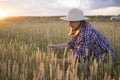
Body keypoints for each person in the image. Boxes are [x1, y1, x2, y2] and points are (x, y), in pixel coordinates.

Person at [48, 8, 116, 64]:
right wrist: (55, 46)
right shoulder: (81, 28)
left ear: (80, 21)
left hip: (106, 60)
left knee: (78, 66)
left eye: (72, 21)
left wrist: (55, 61)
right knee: (72, 51)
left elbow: (78, 57)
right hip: (96, 56)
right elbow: (71, 44)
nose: (69, 25)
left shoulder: (86, 34)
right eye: (69, 21)